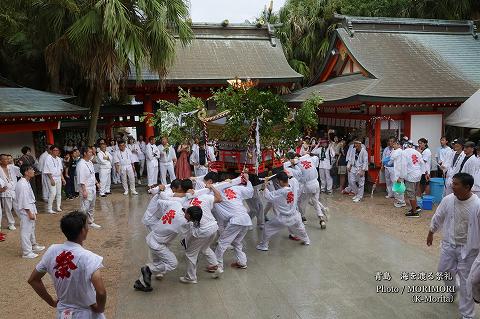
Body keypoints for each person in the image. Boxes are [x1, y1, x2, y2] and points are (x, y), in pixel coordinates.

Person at [28, 211, 107, 318]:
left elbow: (33, 280)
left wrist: (51, 302)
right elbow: (101, 292)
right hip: (87, 313)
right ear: (83, 231)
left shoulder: (52, 251)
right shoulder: (89, 258)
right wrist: (100, 308)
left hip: (63, 313)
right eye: (86, 225)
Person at [427, 173, 480, 319]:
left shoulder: (477, 205)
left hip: (469, 249)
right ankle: (452, 289)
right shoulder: (448, 199)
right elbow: (438, 215)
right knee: (444, 271)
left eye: (456, 184)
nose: (452, 186)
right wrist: (431, 231)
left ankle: (467, 315)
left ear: (467, 187)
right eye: (452, 183)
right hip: (449, 244)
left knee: (466, 283)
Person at [134, 203, 198, 292]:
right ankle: (148, 269)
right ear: (188, 215)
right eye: (191, 219)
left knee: (157, 264)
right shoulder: (182, 223)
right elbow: (190, 234)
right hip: (158, 245)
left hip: (152, 237)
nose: (190, 221)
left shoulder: (176, 205)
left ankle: (140, 283)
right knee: (172, 264)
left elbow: (161, 202)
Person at [180, 179, 221, 284]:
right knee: (205, 248)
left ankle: (191, 278)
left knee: (190, 254)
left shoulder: (185, 202)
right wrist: (211, 187)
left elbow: (186, 217)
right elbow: (219, 198)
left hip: (202, 230)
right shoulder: (205, 196)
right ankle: (217, 267)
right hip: (213, 227)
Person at [256, 171, 310, 251]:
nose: (277, 183)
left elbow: (268, 196)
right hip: (295, 216)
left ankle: (264, 246)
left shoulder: (281, 192)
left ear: (280, 181)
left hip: (284, 218)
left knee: (267, 227)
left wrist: (265, 187)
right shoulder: (294, 184)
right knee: (301, 228)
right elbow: (293, 178)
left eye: (278, 181)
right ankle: (307, 240)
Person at [213, 172, 254, 277]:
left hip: (236, 220)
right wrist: (248, 180)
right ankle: (242, 262)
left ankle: (217, 266)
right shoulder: (237, 188)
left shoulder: (215, 191)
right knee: (236, 241)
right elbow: (250, 192)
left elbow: (204, 191)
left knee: (222, 242)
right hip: (245, 219)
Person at [15, 164, 45, 258]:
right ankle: (26, 252)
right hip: (26, 210)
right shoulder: (22, 184)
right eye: (31, 169)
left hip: (30, 207)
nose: (33, 171)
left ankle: (33, 245)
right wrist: (29, 213)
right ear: (26, 172)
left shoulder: (26, 182)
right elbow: (24, 200)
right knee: (26, 231)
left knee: (31, 229)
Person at [77, 147, 102, 229]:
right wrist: (84, 190)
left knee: (91, 206)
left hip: (92, 187)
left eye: (92, 152)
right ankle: (81, 224)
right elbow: (81, 179)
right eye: (90, 152)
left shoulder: (90, 162)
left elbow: (92, 174)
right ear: (85, 153)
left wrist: (97, 183)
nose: (92, 154)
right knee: (85, 207)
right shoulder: (81, 164)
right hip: (86, 188)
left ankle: (90, 222)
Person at [402, 141, 428, 217]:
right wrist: (424, 173)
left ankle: (414, 212)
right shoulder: (417, 153)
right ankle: (416, 207)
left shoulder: (404, 153)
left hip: (410, 175)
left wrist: (401, 176)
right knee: (414, 192)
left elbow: (403, 165)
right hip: (418, 175)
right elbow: (422, 163)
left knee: (411, 194)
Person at [0, 154, 21, 230]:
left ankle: (22, 219)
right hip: (5, 191)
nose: (7, 160)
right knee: (8, 208)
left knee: (18, 206)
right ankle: (11, 223)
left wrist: (16, 163)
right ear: (1, 161)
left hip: (13, 189)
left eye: (8, 159)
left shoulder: (11, 167)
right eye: (5, 159)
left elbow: (19, 171)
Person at [43, 145, 66, 214]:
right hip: (51, 177)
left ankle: (58, 207)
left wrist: (63, 179)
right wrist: (51, 179)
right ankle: (49, 208)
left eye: (57, 150)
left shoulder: (58, 159)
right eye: (55, 150)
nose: (56, 152)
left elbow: (60, 170)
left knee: (59, 193)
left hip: (58, 177)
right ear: (51, 151)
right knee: (53, 193)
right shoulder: (48, 158)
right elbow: (47, 170)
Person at [390, 140, 406, 208]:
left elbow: (392, 157)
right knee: (398, 187)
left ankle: (402, 202)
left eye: (394, 144)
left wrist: (399, 175)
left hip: (399, 172)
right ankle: (400, 200)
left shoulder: (399, 151)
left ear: (398, 145)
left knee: (399, 188)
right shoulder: (398, 151)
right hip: (398, 172)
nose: (393, 146)